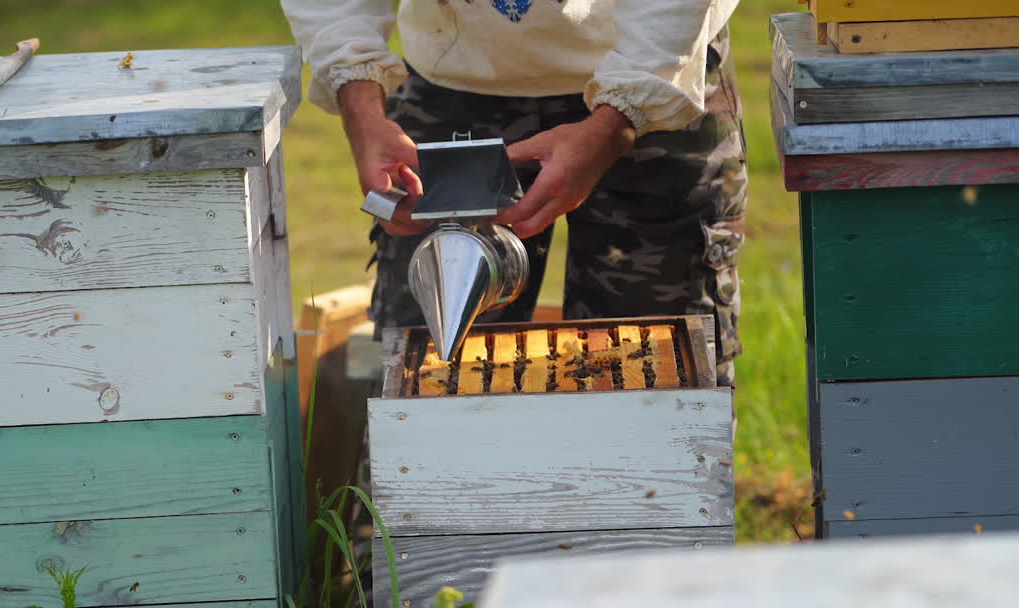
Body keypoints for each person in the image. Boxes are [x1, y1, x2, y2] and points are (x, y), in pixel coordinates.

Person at [281, 0, 747, 385]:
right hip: (456, 77)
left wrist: (623, 115)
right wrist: (359, 101)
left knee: (659, 373)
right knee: (434, 371)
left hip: (662, 69)